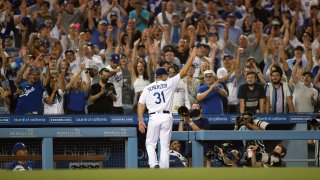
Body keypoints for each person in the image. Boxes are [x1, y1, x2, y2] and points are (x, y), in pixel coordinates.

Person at [137, 47, 197, 169]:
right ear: (164, 76)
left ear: (156, 77)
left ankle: (154, 165)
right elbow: (184, 71)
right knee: (164, 145)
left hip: (153, 116)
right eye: (166, 75)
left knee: (150, 143)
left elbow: (140, 104)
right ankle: (164, 169)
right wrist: (192, 57)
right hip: (166, 116)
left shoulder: (148, 87)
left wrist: (140, 120)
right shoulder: (169, 83)